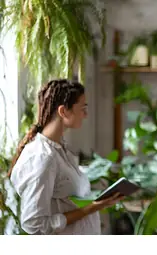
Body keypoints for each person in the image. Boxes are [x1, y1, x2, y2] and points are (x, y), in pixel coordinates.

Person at [8, 79, 123, 235]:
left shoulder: (60, 149)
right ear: (63, 111)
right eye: (83, 108)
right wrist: (92, 208)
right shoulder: (43, 158)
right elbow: (34, 223)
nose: (86, 114)